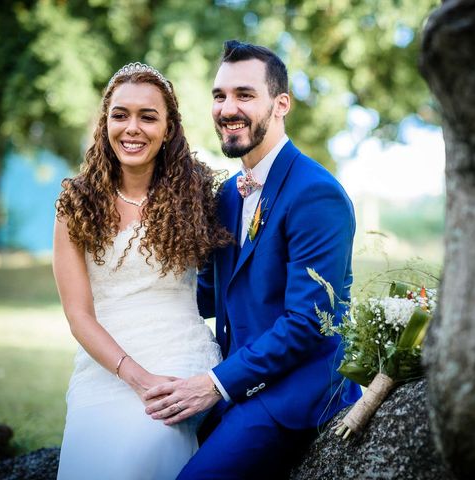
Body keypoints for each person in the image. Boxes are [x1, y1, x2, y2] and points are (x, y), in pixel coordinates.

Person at [143, 40, 362, 478]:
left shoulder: (316, 194)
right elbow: (208, 295)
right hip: (237, 380)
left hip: (292, 394)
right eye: (219, 95)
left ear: (281, 104)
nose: (228, 108)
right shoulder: (227, 194)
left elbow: (307, 323)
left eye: (245, 95)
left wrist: (215, 384)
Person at [53, 62, 230, 479]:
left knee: (146, 443)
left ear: (168, 128)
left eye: (148, 117)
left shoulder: (199, 195)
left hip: (180, 354)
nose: (132, 128)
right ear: (105, 122)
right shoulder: (74, 204)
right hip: (105, 364)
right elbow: (78, 315)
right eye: (120, 115)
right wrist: (136, 377)